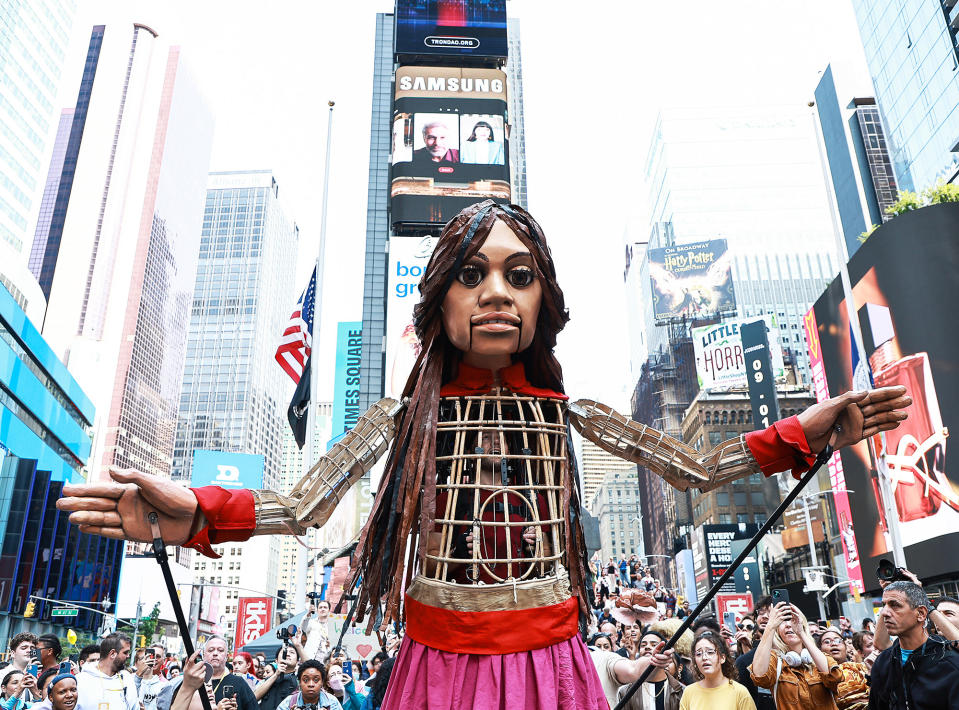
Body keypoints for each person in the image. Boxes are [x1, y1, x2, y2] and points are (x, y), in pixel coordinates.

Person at [58, 200, 912, 708]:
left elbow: (698, 467)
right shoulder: (403, 416)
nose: (496, 292)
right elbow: (303, 506)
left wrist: (810, 429)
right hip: (437, 669)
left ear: (544, 297)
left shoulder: (568, 411)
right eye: (470, 274)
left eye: (518, 273)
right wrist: (195, 512)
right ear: (439, 300)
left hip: (552, 664)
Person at [868, 581, 959, 709]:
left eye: (895, 605)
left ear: (921, 613)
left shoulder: (950, 664)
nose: (885, 613)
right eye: (884, 605)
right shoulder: (883, 662)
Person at [750, 602, 840, 709]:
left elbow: (833, 677)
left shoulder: (820, 657)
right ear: (778, 631)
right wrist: (770, 627)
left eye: (792, 619)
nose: (788, 625)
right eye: (783, 621)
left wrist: (801, 633)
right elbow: (759, 676)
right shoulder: (775, 662)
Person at [678, 631, 754, 710]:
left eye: (710, 652)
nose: (704, 657)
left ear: (722, 658)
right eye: (699, 654)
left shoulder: (740, 692)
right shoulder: (689, 692)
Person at [614, 629, 686, 710]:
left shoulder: (681, 691)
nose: (647, 647)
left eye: (654, 644)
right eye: (643, 645)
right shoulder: (626, 691)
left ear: (665, 650)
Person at [76, 633, 138, 710]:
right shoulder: (80, 681)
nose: (128, 656)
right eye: (125, 652)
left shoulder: (127, 679)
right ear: (112, 654)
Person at [736, 597, 775, 710]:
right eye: (761, 612)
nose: (764, 616)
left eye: (770, 612)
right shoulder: (744, 662)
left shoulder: (793, 655)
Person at [816, 628, 869, 710]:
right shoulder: (815, 677)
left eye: (838, 641)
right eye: (827, 642)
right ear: (819, 650)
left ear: (846, 647)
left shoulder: (863, 668)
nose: (834, 644)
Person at [274, 661, 341, 710]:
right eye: (306, 680)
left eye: (316, 680)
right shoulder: (288, 703)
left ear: (322, 683)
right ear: (299, 682)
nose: (311, 684)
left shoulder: (332, 702)